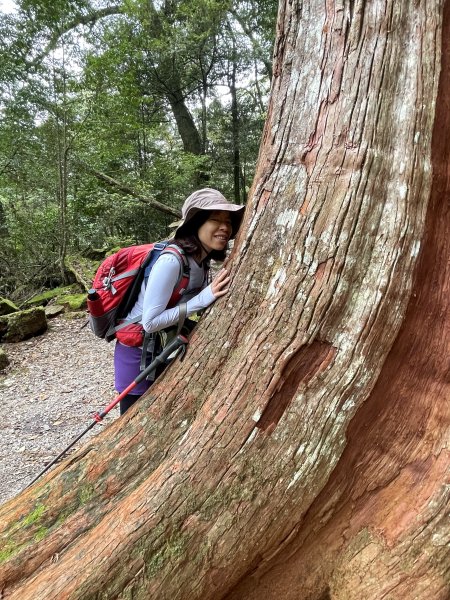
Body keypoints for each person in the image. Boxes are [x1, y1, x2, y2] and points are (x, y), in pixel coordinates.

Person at [114, 188, 245, 414]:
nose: (225, 227)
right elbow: (150, 322)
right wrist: (204, 298)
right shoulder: (171, 261)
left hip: (165, 348)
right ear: (196, 224)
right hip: (137, 355)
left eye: (228, 221)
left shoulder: (200, 262)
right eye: (215, 219)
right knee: (134, 416)